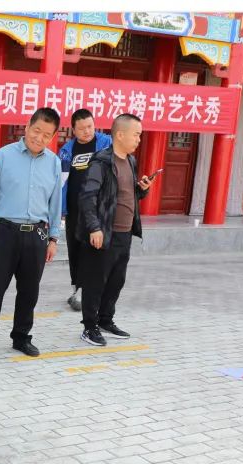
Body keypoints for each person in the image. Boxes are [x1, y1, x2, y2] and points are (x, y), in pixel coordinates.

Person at [0, 108, 63, 359]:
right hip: (4, 232)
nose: (39, 138)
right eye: (36, 130)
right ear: (27, 126)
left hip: (36, 235)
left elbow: (55, 203)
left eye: (46, 135)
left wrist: (54, 238)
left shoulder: (54, 163)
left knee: (29, 292)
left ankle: (21, 338)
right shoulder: (3, 156)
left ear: (52, 136)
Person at [77, 113, 154, 347]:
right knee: (95, 282)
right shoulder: (101, 162)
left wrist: (142, 189)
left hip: (124, 233)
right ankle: (89, 327)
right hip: (103, 234)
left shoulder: (130, 161)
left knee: (116, 281)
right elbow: (87, 196)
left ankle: (105, 320)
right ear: (120, 135)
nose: (139, 139)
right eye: (136, 134)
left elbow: (125, 195)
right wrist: (94, 227)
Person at [58, 108, 112, 312]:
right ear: (73, 130)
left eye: (90, 126)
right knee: (75, 249)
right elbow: (60, 182)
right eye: (82, 128)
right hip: (74, 210)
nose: (87, 131)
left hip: (97, 209)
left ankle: (88, 291)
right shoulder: (66, 150)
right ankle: (77, 289)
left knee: (93, 250)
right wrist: (59, 209)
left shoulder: (107, 143)